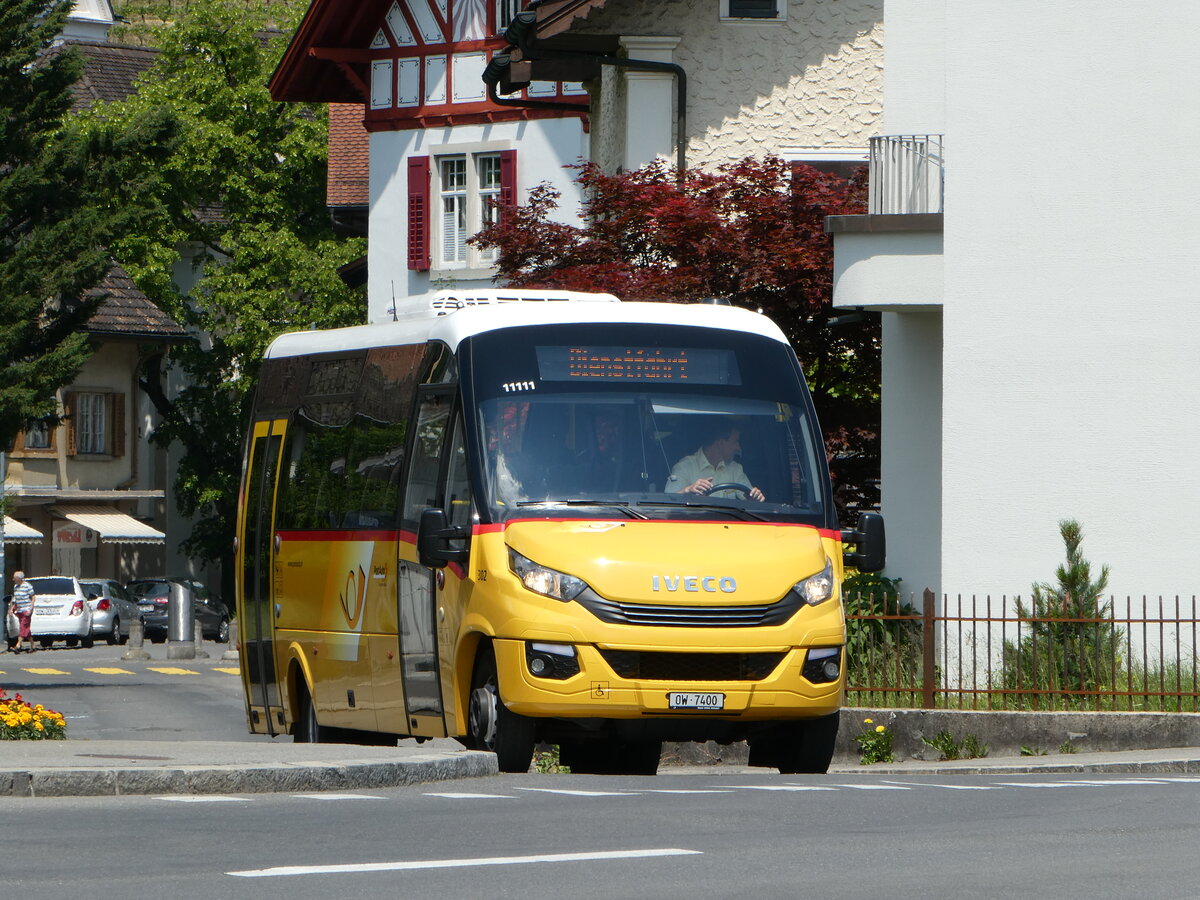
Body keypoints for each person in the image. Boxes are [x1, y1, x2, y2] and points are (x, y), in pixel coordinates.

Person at [665, 422, 765, 501]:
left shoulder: (736, 469)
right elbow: (667, 501)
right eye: (735, 441)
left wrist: (755, 497)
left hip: (730, 524)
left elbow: (749, 496)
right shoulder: (685, 466)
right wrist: (688, 490)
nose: (738, 447)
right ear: (721, 443)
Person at [11, 571, 36, 653]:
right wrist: (12, 608)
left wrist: (30, 609)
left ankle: (18, 645)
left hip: (26, 609)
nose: (13, 579)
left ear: (19, 578)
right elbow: (16, 599)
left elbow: (33, 597)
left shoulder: (27, 586)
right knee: (26, 628)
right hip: (19, 610)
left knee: (23, 626)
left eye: (14, 578)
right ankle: (33, 645)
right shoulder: (16, 586)